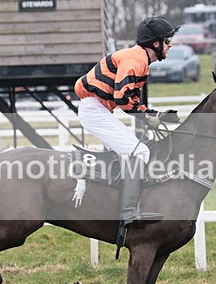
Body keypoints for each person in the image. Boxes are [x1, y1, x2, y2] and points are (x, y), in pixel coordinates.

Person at [74, 16, 180, 228]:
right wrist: (149, 116)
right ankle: (129, 212)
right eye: (167, 41)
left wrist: (154, 115)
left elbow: (128, 100)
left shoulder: (139, 59)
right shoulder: (136, 61)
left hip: (97, 108)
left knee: (134, 151)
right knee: (140, 152)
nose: (170, 45)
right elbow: (121, 98)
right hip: (95, 109)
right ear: (156, 44)